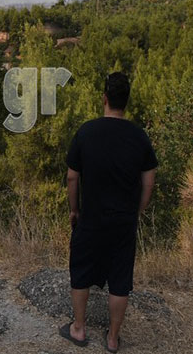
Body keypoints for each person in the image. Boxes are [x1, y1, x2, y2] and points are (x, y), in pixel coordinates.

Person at [60, 72, 157, 353]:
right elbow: (148, 181)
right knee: (120, 279)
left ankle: (79, 328)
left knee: (80, 270)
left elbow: (71, 177)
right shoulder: (139, 137)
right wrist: (137, 210)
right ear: (126, 102)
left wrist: (74, 210)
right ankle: (113, 338)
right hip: (124, 220)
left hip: (91, 217)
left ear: (104, 98)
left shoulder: (86, 132)